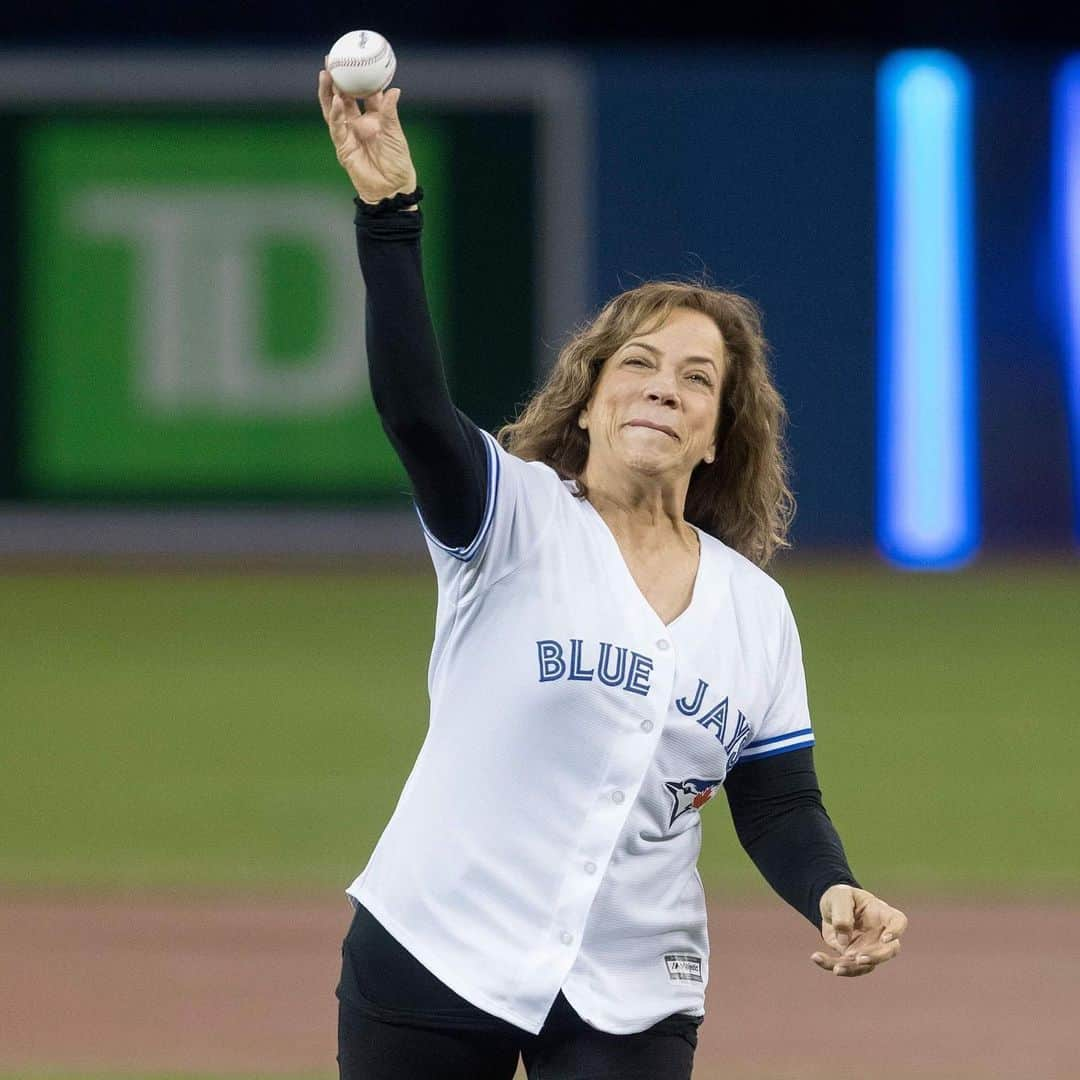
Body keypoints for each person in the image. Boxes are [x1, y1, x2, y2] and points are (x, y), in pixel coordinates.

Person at [318, 70, 908, 1080]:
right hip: (436, 946)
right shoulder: (508, 519)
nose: (662, 390)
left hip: (635, 985)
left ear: (720, 434)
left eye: (695, 380)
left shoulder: (754, 612)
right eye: (637, 365)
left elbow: (774, 801)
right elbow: (416, 410)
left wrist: (832, 888)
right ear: (587, 402)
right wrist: (389, 217)